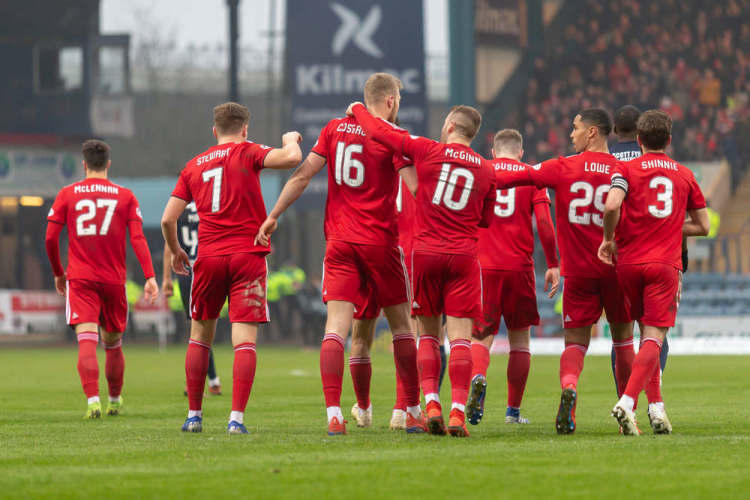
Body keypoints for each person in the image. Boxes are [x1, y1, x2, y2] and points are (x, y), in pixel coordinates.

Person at [255, 73, 424, 436]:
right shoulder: (393, 138)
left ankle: (335, 413)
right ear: (391, 101)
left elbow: (301, 176)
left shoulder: (334, 129)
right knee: (402, 328)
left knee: (336, 330)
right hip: (380, 243)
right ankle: (411, 411)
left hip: (340, 243)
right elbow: (415, 189)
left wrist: (273, 215)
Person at [347, 101, 497, 438]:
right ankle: (457, 412)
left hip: (426, 253)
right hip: (463, 257)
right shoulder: (487, 170)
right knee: (459, 338)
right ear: (472, 135)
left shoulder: (427, 150)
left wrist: (358, 108)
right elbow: (485, 220)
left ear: (448, 126)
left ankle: (431, 404)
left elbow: (380, 131)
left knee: (427, 334)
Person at [161, 102, 302, 434]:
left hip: (208, 258)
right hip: (247, 257)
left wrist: (176, 250)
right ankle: (236, 420)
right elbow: (292, 158)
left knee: (199, 337)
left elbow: (169, 218)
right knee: (244, 341)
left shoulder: (193, 166)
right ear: (245, 129)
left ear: (214, 131)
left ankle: (194, 416)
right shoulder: (249, 151)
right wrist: (291, 138)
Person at [499, 109, 635, 434]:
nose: (570, 134)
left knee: (574, 343)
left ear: (592, 132)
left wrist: (483, 175)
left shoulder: (562, 167)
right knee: (623, 341)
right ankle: (627, 414)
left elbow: (518, 176)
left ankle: (570, 386)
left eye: (575, 128)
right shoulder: (624, 170)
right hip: (616, 269)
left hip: (579, 273)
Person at [600, 110, 709, 435]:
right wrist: (672, 226)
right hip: (664, 264)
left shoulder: (625, 168)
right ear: (669, 140)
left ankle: (657, 409)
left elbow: (611, 205)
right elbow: (703, 225)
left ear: (640, 140)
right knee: (654, 337)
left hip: (629, 264)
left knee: (635, 337)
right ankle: (628, 402)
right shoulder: (684, 174)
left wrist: (608, 239)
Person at [45, 139, 158, 418]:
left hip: (81, 279)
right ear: (108, 164)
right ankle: (115, 400)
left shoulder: (67, 194)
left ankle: (93, 401)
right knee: (113, 343)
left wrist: (59, 272)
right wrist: (150, 276)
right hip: (114, 280)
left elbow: (49, 237)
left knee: (86, 340)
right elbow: (138, 238)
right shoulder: (126, 196)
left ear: (83, 165)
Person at [465, 129, 560, 426]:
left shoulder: (480, 171)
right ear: (520, 152)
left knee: (480, 337)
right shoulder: (532, 175)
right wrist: (553, 263)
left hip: (483, 266)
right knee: (520, 341)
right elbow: (544, 222)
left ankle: (478, 377)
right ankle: (512, 412)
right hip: (519, 267)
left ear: (493, 152)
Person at [161, 201, 222, 396]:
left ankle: (200, 382)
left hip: (188, 271)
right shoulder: (212, 205)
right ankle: (212, 380)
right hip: (209, 267)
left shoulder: (178, 210)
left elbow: (170, 246)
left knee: (196, 329)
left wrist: (166, 278)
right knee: (204, 327)